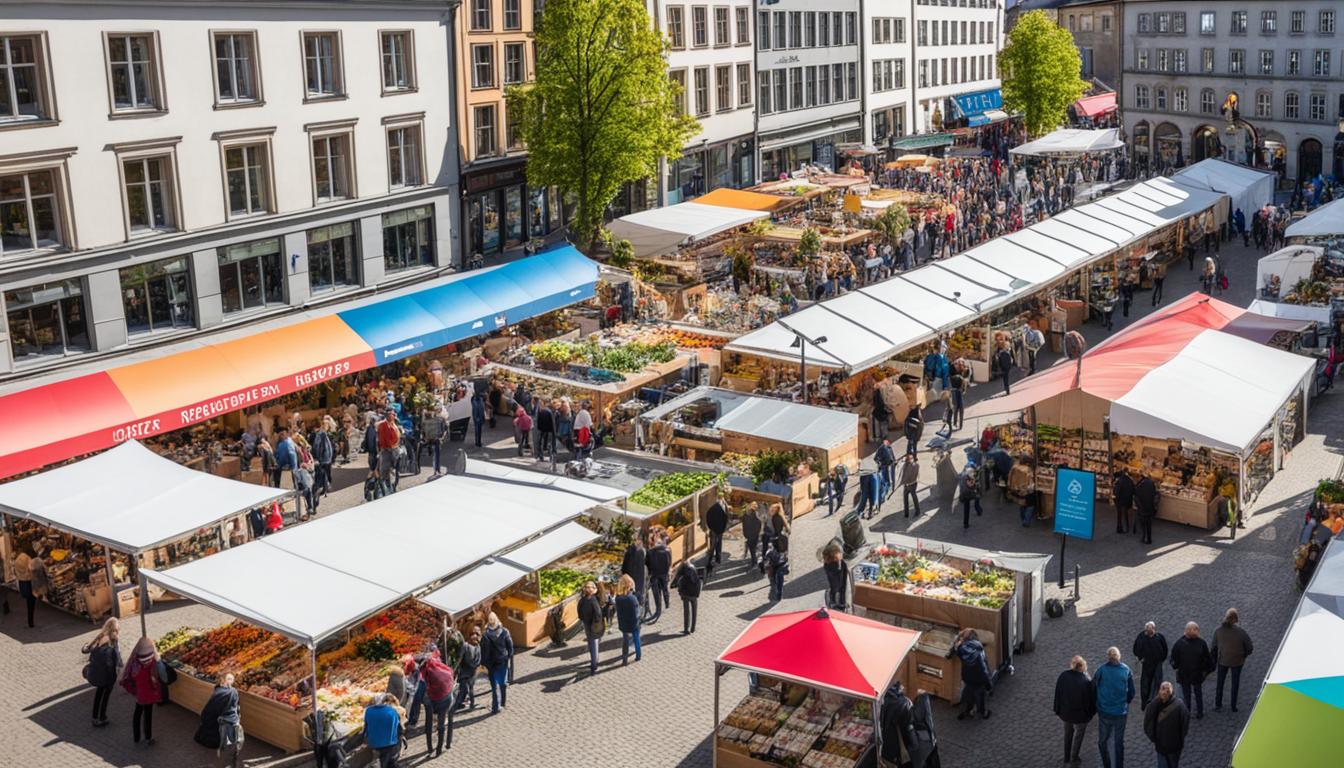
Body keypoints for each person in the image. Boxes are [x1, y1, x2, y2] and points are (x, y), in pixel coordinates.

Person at [1094, 646, 1135, 768]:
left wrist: (1098, 702)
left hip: (1104, 711)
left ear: (1108, 657)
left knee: (1102, 741)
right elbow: (1131, 692)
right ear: (1119, 656)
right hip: (1120, 712)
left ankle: (1107, 764)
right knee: (1118, 742)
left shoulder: (1101, 670)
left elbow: (1094, 685)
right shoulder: (1126, 670)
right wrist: (1125, 702)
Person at [1054, 655, 1096, 767]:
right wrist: (1091, 714)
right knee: (1079, 736)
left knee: (1068, 734)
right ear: (1083, 667)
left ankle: (1066, 757)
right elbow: (1089, 701)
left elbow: (1058, 694)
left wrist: (1057, 709)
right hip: (1081, 715)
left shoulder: (1063, 676)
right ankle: (1074, 757)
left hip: (1066, 713)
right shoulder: (1085, 681)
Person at [120, 636, 161, 745]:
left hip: (140, 694)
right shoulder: (152, 663)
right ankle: (148, 737)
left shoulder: (135, 664)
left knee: (137, 714)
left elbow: (132, 677)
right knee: (148, 716)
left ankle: (136, 736)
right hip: (150, 693)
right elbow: (157, 676)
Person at [1212, 608, 1253, 713]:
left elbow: (1214, 647)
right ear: (1235, 619)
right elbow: (1250, 647)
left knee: (1220, 682)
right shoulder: (1241, 632)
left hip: (1222, 661)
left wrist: (1214, 660)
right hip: (1237, 661)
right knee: (1235, 683)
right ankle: (1233, 706)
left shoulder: (1218, 631)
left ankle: (1218, 704)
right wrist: (1243, 655)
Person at [1169, 622, 1213, 719]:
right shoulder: (1201, 643)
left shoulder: (1179, 643)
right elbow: (1208, 659)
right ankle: (1200, 712)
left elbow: (1173, 659)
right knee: (1198, 693)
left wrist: (1175, 666)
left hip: (1184, 674)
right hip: (1197, 674)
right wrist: (1205, 671)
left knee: (1186, 695)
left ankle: (1187, 712)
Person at [83, 617, 121, 727]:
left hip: (98, 670)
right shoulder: (114, 639)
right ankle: (102, 717)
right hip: (108, 672)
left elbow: (87, 649)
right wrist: (118, 669)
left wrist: (87, 645)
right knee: (106, 695)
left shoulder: (100, 636)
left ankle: (94, 717)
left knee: (99, 693)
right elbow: (116, 656)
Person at [1143, 682, 1190, 768]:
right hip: (1175, 746)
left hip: (1162, 746)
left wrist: (1154, 738)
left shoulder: (1154, 705)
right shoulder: (1180, 705)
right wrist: (1180, 738)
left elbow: (1147, 723)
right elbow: (1185, 725)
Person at [195, 673, 242, 756]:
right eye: (230, 679)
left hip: (215, 722)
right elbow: (235, 708)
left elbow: (208, 711)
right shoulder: (232, 692)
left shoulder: (219, 691)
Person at [950, 629, 992, 720]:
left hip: (967, 677)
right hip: (979, 678)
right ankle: (983, 712)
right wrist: (989, 684)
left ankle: (967, 710)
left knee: (968, 693)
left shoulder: (961, 649)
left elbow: (955, 649)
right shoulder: (979, 651)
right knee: (979, 695)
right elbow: (983, 668)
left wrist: (958, 643)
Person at [420, 651, 456, 757]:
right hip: (448, 697)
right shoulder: (442, 668)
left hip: (433, 700)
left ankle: (430, 748)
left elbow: (423, 685)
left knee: (429, 723)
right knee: (443, 724)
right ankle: (440, 748)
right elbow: (451, 673)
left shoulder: (427, 670)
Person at [480, 613, 513, 713]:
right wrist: (507, 657)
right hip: (502, 661)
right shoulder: (504, 632)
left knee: (494, 686)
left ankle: (496, 707)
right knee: (502, 683)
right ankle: (502, 702)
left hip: (491, 664)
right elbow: (510, 648)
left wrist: (483, 663)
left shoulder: (485, 635)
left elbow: (483, 651)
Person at [1133, 621, 1169, 710]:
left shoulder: (1159, 637)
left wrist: (1161, 660)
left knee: (1157, 682)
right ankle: (1145, 702)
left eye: (1150, 631)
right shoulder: (1141, 637)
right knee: (1145, 684)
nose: (1149, 633)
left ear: (1154, 629)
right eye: (1147, 631)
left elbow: (1165, 649)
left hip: (1157, 664)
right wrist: (1141, 658)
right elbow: (1136, 649)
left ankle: (1155, 701)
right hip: (1147, 664)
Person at [879, 681, 916, 768]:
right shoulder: (904, 703)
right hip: (900, 745)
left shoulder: (883, 702)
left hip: (887, 744)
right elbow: (908, 727)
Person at [364, 693, 402, 768]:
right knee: (390, 758)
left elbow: (366, 726)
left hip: (374, 743)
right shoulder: (392, 711)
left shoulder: (368, 711)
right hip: (390, 743)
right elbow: (399, 728)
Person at [577, 581, 604, 676]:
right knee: (594, 645)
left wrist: (584, 619)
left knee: (591, 643)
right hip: (593, 626)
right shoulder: (593, 600)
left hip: (586, 625)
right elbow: (598, 614)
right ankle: (594, 665)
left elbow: (579, 612)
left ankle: (594, 662)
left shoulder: (582, 600)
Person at [614, 575, 642, 664]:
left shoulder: (618, 598)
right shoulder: (632, 598)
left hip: (623, 623)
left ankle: (624, 659)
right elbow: (636, 612)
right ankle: (638, 656)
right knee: (636, 639)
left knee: (625, 641)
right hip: (634, 623)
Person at [645, 533, 672, 624]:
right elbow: (669, 562)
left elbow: (647, 566)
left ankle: (658, 609)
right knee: (665, 588)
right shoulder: (667, 550)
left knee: (657, 594)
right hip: (664, 573)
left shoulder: (650, 552)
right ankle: (667, 602)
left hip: (655, 575)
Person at [672, 557, 701, 634]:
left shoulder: (682, 570)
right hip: (694, 593)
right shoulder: (693, 568)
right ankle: (693, 628)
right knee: (694, 611)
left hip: (685, 594)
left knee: (686, 611)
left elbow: (675, 581)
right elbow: (697, 581)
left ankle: (686, 629)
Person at [454, 628, 481, 712]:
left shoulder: (465, 645)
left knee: (463, 689)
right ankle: (472, 704)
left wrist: (455, 668)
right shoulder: (478, 646)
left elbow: (460, 658)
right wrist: (475, 666)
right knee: (471, 688)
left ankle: (457, 705)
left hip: (464, 670)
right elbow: (479, 660)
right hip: (473, 670)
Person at [376, 408, 401, 494]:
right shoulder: (383, 425)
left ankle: (392, 487)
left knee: (393, 470)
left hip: (395, 449)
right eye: (390, 414)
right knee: (386, 470)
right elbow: (384, 439)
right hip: (388, 450)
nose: (392, 416)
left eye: (393, 414)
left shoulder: (394, 423)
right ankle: (386, 489)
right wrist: (389, 448)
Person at [822, 542, 849, 611]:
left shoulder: (827, 564)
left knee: (835, 587)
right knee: (840, 586)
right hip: (837, 575)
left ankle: (835, 601)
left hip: (834, 574)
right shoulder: (837, 564)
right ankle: (840, 603)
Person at [14, 548, 36, 627]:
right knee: (31, 602)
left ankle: (30, 621)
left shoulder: (17, 560)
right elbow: (31, 568)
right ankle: (31, 621)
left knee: (27, 600)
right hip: (29, 581)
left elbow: (15, 571)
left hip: (22, 581)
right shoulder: (27, 558)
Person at [765, 534, 789, 602]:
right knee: (778, 581)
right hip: (779, 566)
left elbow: (767, 560)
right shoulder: (782, 547)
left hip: (777, 567)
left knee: (776, 581)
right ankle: (778, 594)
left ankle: (778, 595)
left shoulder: (772, 551)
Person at [1135, 473, 1158, 545]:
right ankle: (1149, 538)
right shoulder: (1151, 484)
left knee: (1143, 524)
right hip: (1150, 507)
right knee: (1149, 524)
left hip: (1143, 508)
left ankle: (1143, 537)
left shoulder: (1140, 485)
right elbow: (1154, 494)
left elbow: (1137, 496)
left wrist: (1138, 506)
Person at [704, 499, 728, 568]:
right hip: (719, 531)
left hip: (713, 531)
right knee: (718, 545)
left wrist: (711, 528)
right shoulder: (721, 510)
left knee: (712, 546)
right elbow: (725, 519)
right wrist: (723, 529)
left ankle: (710, 560)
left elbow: (708, 519)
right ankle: (718, 559)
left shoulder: (711, 510)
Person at [960, 462, 983, 529]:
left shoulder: (962, 475)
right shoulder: (970, 475)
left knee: (966, 508)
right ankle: (979, 511)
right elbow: (971, 484)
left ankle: (965, 524)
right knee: (976, 499)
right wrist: (975, 484)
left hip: (964, 493)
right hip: (969, 493)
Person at [899, 454, 921, 518]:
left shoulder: (912, 466)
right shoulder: (911, 465)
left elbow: (908, 476)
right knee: (909, 499)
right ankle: (910, 512)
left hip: (910, 484)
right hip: (909, 484)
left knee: (911, 499)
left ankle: (914, 512)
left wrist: (902, 482)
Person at [1113, 470, 1135, 535]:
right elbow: (1133, 490)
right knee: (1125, 514)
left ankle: (1121, 529)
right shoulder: (1130, 480)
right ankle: (1126, 527)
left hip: (1120, 501)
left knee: (1120, 515)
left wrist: (1115, 499)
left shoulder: (1119, 482)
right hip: (1128, 500)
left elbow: (1117, 493)